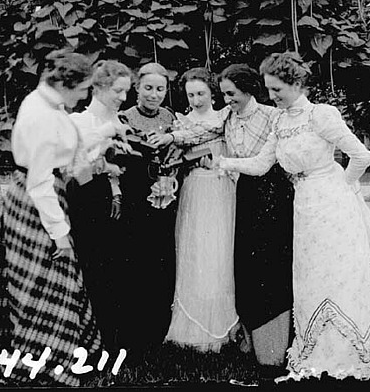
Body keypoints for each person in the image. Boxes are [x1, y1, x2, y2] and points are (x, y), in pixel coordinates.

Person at [218, 52, 370, 380]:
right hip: (304, 204)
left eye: (278, 90)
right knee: (311, 277)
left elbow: (361, 156)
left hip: (332, 201)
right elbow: (263, 164)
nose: (272, 97)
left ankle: (354, 352)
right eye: (269, 90)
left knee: (338, 274)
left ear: (296, 84)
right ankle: (316, 351)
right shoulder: (280, 121)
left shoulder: (321, 115)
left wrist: (342, 188)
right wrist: (227, 164)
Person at [0, 51, 127, 385]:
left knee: (40, 283)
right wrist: (60, 236)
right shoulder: (43, 114)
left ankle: (46, 357)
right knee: (43, 284)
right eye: (83, 88)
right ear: (67, 83)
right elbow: (41, 181)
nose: (84, 95)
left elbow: (66, 151)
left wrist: (102, 152)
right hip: (36, 204)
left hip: (39, 197)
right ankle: (40, 365)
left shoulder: (46, 104)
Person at [149, 64, 294, 373]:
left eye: (230, 94)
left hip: (261, 191)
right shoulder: (224, 118)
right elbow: (199, 134)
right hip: (229, 189)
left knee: (252, 259)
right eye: (225, 94)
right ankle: (235, 330)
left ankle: (266, 335)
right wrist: (175, 141)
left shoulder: (267, 116)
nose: (227, 99)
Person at [163, 67, 239, 352]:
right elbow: (177, 156)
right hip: (194, 189)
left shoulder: (223, 117)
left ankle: (223, 325)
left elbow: (213, 133)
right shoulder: (180, 121)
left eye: (201, 93)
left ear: (212, 92)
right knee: (195, 250)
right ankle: (190, 325)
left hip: (221, 187)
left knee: (219, 251)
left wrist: (179, 140)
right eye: (190, 94)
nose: (195, 100)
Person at [67, 60, 133, 351]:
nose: (123, 98)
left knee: (119, 271)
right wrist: (105, 167)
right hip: (90, 202)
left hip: (121, 203)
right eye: (117, 91)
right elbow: (74, 173)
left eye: (126, 92)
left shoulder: (122, 123)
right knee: (95, 270)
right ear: (98, 88)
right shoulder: (80, 123)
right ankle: (96, 342)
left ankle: (118, 339)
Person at [114, 62, 179, 355]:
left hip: (164, 200)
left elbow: (179, 153)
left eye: (160, 89)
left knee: (160, 262)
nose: (154, 94)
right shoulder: (124, 119)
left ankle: (157, 330)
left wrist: (171, 173)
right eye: (148, 88)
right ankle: (131, 333)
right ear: (137, 88)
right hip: (135, 199)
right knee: (134, 262)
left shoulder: (171, 117)